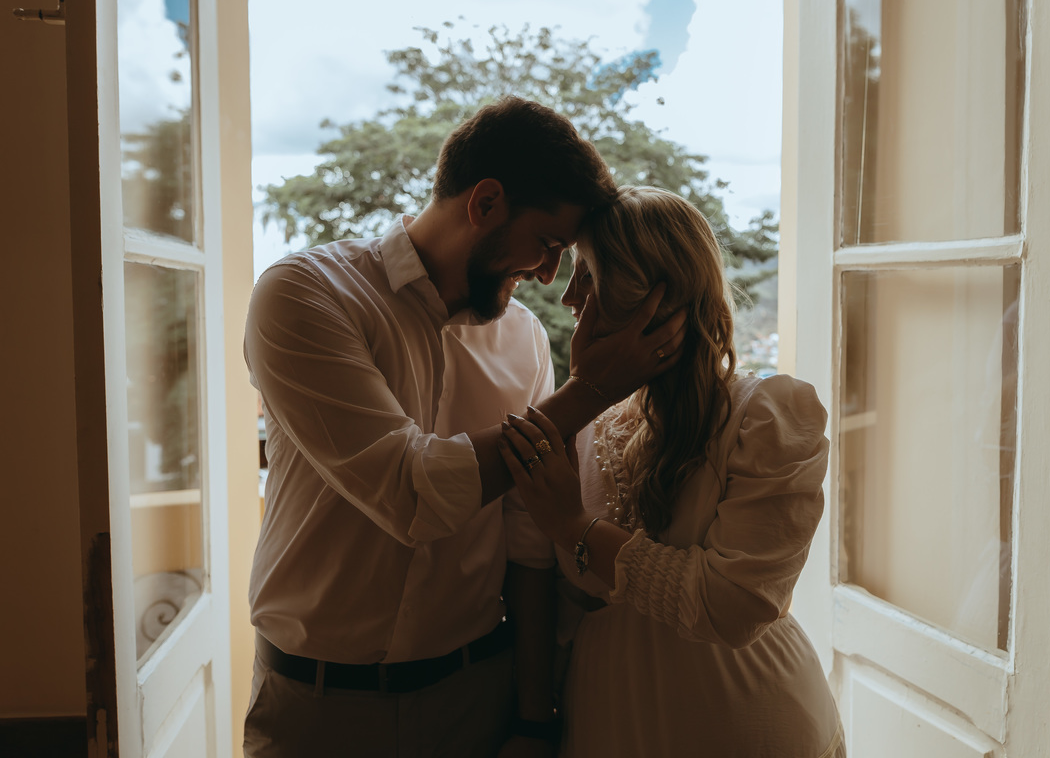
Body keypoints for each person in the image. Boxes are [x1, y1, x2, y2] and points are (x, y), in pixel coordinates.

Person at [242, 100, 686, 758]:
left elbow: (528, 539)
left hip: (477, 702)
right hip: (316, 711)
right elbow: (410, 491)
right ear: (485, 203)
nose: (545, 274)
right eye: (547, 244)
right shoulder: (307, 294)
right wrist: (589, 391)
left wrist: (535, 720)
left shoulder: (526, 341)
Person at [499, 186, 846, 758]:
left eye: (586, 277)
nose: (566, 300)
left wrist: (574, 527)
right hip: (609, 716)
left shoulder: (766, 415)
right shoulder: (583, 422)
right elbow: (567, 599)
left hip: (740, 715)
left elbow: (733, 607)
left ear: (649, 299)